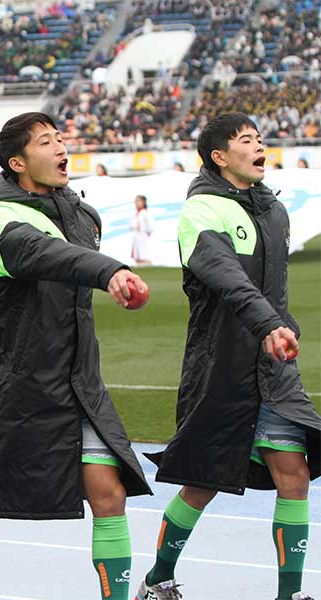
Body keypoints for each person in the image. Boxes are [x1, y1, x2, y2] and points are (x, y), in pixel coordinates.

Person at [0, 112, 152, 600]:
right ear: (17, 162)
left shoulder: (82, 213)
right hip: (19, 389)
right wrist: (110, 272)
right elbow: (46, 254)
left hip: (80, 385)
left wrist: (109, 275)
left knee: (110, 494)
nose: (61, 147)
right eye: (45, 141)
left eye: (61, 138)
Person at [135, 113, 320, 600]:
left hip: (275, 369)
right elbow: (224, 276)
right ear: (219, 156)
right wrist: (268, 324)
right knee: (204, 480)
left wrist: (279, 327)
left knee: (294, 474)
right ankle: (158, 580)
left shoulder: (275, 211)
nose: (259, 145)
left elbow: (273, 290)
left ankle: (290, 594)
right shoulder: (202, 211)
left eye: (261, 137)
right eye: (246, 140)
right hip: (222, 367)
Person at [129, 194, 154, 266]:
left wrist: (145, 234)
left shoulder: (146, 213)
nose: (136, 203)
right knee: (138, 257)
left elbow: (151, 226)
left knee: (144, 256)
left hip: (143, 238)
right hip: (137, 237)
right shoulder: (136, 214)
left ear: (143, 202)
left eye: (138, 201)